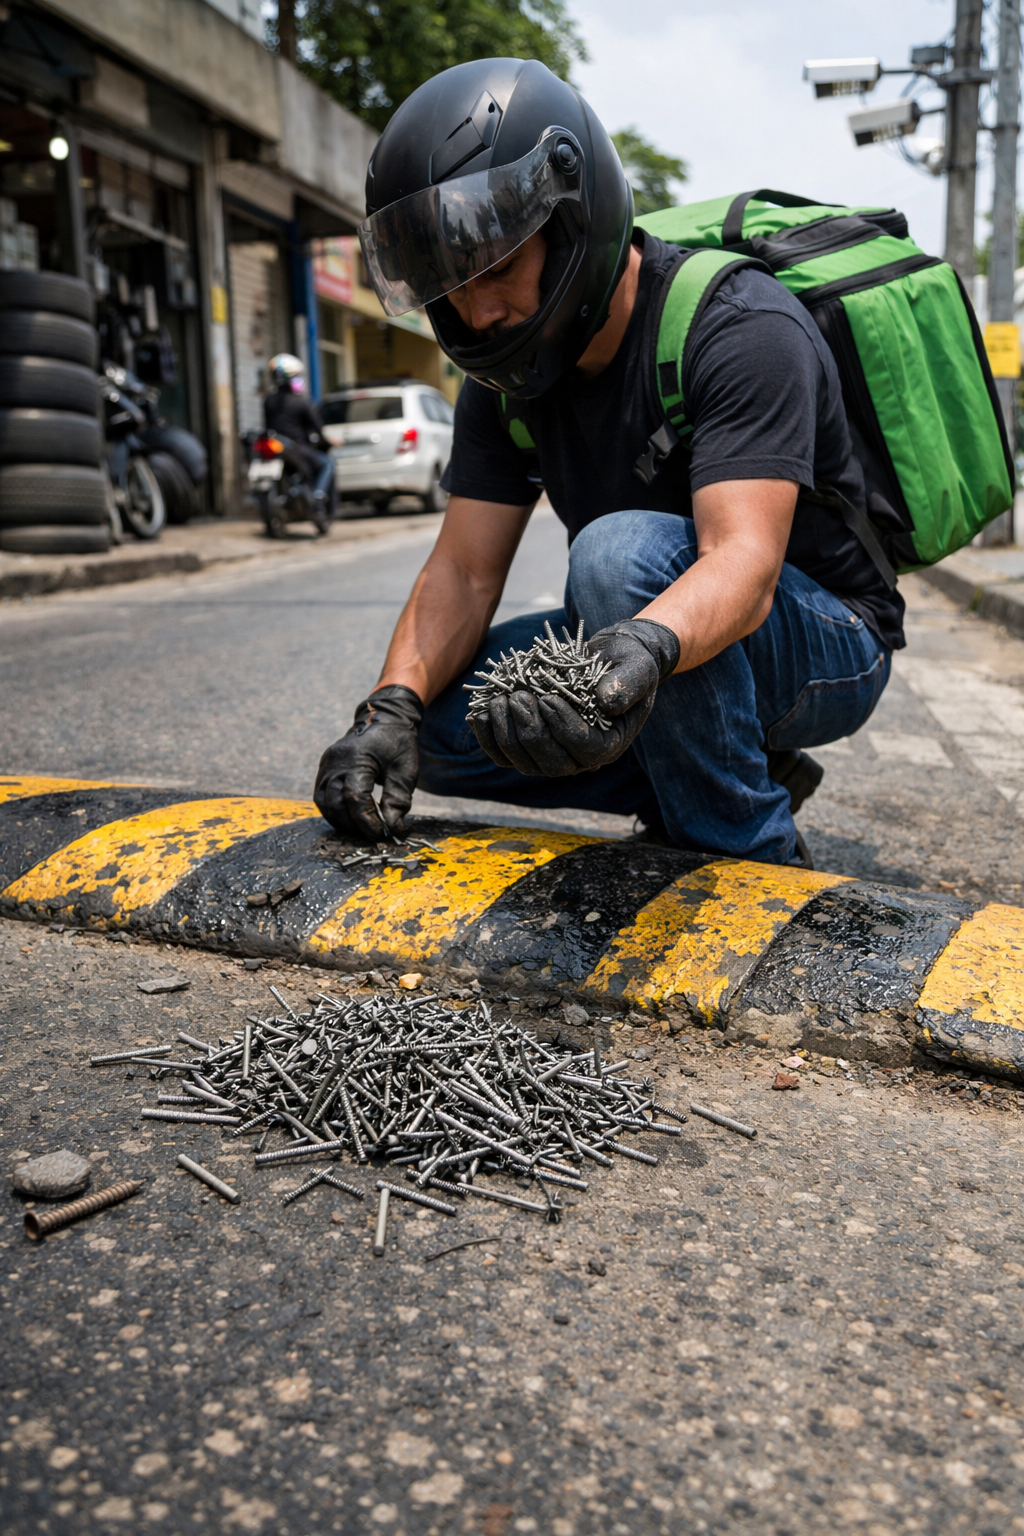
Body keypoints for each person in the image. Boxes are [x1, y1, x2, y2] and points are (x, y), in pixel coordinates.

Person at [314, 59, 902, 866]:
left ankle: (751, 849)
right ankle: (725, 769)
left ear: (573, 220)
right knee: (457, 722)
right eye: (450, 288)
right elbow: (463, 572)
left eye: (497, 269)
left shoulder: (739, 324)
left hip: (822, 637)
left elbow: (746, 566)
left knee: (618, 555)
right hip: (655, 631)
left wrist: (641, 653)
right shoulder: (502, 375)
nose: (477, 313)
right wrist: (386, 712)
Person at [264, 353, 336, 517]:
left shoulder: (269, 401)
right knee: (327, 464)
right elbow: (318, 429)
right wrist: (329, 441)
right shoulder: (301, 402)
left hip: (278, 448)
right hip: (298, 449)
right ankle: (318, 496)